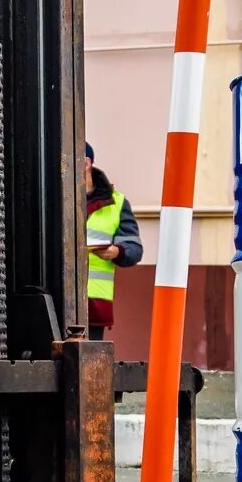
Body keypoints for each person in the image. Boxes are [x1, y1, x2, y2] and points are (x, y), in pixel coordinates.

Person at [83, 142, 142, 340]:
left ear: (86, 163)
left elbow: (134, 248)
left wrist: (116, 251)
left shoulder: (117, 202)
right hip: (56, 302)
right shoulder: (51, 197)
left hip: (95, 306)